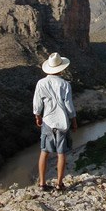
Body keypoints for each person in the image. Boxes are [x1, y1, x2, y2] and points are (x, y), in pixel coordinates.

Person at [33, 52, 77, 191]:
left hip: (48, 121)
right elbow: (69, 106)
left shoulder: (41, 83)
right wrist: (74, 121)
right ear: (61, 68)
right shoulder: (65, 84)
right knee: (61, 153)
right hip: (63, 123)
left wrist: (38, 117)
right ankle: (59, 184)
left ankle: (42, 183)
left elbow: (37, 103)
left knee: (44, 152)